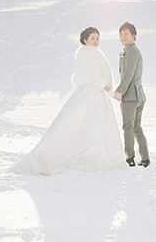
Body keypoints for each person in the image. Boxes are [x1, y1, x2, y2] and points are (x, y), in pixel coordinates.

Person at [14, 27, 127, 175]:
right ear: (85, 40)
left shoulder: (81, 53)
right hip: (94, 92)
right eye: (92, 38)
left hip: (84, 90)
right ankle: (92, 157)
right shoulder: (90, 52)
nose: (95, 41)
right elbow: (96, 74)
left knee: (74, 122)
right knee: (97, 125)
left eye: (97, 38)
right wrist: (106, 88)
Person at [114, 22, 149, 167]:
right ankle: (145, 158)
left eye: (126, 34)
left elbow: (127, 75)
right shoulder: (130, 51)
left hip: (130, 97)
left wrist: (120, 91)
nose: (123, 36)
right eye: (121, 34)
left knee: (128, 127)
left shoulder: (132, 51)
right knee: (136, 128)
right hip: (138, 96)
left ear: (133, 36)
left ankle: (130, 158)